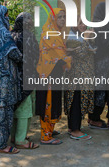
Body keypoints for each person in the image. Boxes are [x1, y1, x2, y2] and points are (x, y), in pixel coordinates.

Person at [0, 5, 22, 154]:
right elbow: (15, 55)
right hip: (5, 77)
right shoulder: (3, 33)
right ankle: (1, 145)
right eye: (6, 15)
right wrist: (22, 56)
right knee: (3, 111)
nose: (7, 18)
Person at [36, 8, 71, 145]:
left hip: (54, 73)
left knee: (54, 102)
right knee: (48, 104)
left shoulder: (57, 33)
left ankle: (50, 130)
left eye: (64, 16)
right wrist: (69, 59)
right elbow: (59, 55)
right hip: (48, 75)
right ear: (53, 19)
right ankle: (46, 136)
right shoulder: (49, 34)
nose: (62, 19)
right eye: (59, 17)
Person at [10, 13, 39, 149]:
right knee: (25, 108)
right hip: (27, 77)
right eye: (28, 18)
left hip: (14, 77)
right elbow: (34, 57)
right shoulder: (27, 36)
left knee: (17, 106)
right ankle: (21, 140)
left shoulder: (11, 35)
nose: (31, 20)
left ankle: (15, 136)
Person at [64, 18, 94, 140]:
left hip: (82, 75)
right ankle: (75, 130)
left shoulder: (78, 35)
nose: (83, 25)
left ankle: (72, 127)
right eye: (79, 23)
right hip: (77, 76)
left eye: (84, 22)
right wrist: (86, 39)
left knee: (75, 100)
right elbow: (81, 53)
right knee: (76, 100)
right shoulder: (71, 37)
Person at [88, 3, 109, 129]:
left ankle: (92, 117)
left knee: (98, 90)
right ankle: (94, 119)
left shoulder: (94, 25)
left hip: (97, 62)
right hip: (101, 63)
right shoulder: (102, 26)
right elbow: (108, 44)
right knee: (100, 90)